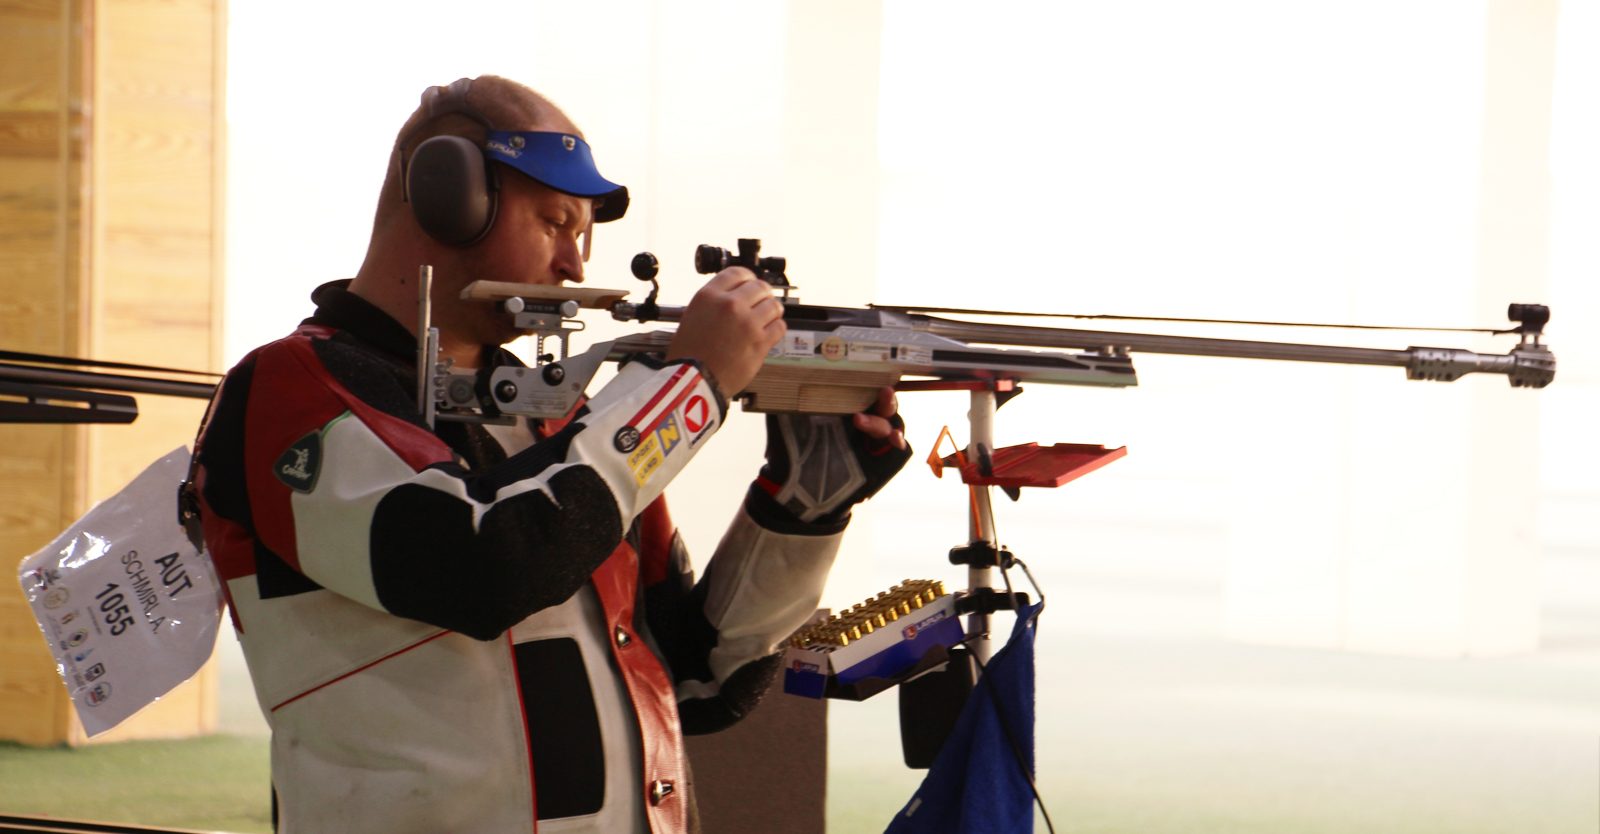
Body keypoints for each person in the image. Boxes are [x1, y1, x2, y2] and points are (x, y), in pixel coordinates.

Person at [190, 75, 911, 834]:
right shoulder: (290, 386)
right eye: (557, 221)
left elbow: (700, 681)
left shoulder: (563, 422)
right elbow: (483, 566)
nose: (575, 263)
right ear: (447, 193)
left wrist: (802, 508)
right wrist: (691, 390)